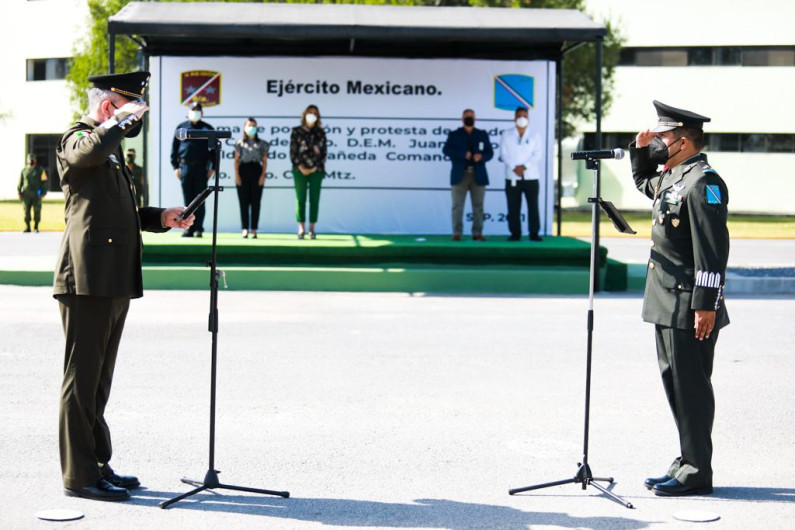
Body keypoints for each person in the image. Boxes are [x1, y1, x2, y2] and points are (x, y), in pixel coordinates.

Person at [53, 71, 194, 502]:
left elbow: (120, 211)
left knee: (99, 381)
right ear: (108, 107)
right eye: (126, 107)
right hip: (87, 277)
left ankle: (97, 462)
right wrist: (116, 124)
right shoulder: (76, 139)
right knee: (81, 379)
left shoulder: (110, 151)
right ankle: (79, 476)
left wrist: (160, 217)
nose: (133, 119)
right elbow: (87, 153)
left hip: (112, 276)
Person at [630, 100, 729, 497]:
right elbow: (645, 184)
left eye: (664, 136)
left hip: (690, 305)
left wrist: (706, 304)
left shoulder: (704, 182)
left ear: (683, 142)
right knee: (676, 384)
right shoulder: (675, 177)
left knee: (692, 388)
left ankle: (697, 470)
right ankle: (687, 458)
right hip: (666, 301)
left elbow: (712, 250)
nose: (659, 140)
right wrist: (641, 152)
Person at [442, 109, 493, 241]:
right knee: (457, 206)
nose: (469, 119)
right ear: (462, 119)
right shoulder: (455, 134)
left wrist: (481, 157)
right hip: (460, 174)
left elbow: (490, 153)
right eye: (467, 117)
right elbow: (446, 150)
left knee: (478, 206)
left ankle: (477, 233)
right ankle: (457, 233)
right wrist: (462, 154)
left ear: (475, 119)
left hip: (478, 174)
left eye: (471, 117)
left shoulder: (482, 134)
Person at [170, 101, 214, 237]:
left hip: (202, 168)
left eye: (198, 110)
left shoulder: (208, 129)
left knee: (200, 199)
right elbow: (174, 150)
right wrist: (175, 167)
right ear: (188, 112)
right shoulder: (181, 128)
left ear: (202, 113)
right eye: (193, 109)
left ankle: (199, 228)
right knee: (188, 200)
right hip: (185, 167)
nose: (195, 112)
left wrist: (213, 168)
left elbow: (214, 151)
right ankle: (188, 228)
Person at [499, 106, 543, 241]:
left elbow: (537, 155)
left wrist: (524, 167)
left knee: (533, 206)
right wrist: (514, 167)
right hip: (512, 176)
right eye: (519, 116)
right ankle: (515, 233)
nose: (522, 118)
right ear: (514, 118)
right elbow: (503, 154)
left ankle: (534, 233)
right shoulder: (506, 134)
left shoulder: (535, 135)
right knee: (513, 206)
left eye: (524, 116)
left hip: (531, 176)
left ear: (528, 118)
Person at [289, 104, 327, 239]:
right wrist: (301, 167)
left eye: (315, 113)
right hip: (299, 170)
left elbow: (323, 153)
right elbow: (293, 152)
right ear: (304, 114)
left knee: (314, 199)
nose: (312, 115)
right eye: (309, 112)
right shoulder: (296, 131)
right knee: (300, 198)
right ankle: (301, 228)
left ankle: (311, 228)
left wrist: (314, 168)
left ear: (318, 116)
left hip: (317, 170)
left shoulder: (320, 132)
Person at [234, 117, 269, 238]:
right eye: (249, 125)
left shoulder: (262, 144)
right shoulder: (239, 143)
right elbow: (236, 161)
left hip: (256, 170)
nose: (251, 128)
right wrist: (237, 176)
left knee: (256, 202)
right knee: (243, 202)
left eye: (254, 125)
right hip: (243, 170)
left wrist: (262, 176)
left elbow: (264, 161)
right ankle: (245, 228)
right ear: (244, 127)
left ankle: (254, 229)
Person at [17, 153, 48, 232]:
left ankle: (36, 227)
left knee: (37, 211)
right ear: (27, 160)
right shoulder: (24, 170)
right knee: (26, 211)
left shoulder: (40, 170)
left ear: (35, 160)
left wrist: (44, 192)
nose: (31, 161)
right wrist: (19, 192)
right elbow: (20, 182)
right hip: (26, 194)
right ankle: (27, 227)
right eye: (30, 159)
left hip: (37, 194)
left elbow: (44, 182)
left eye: (32, 159)